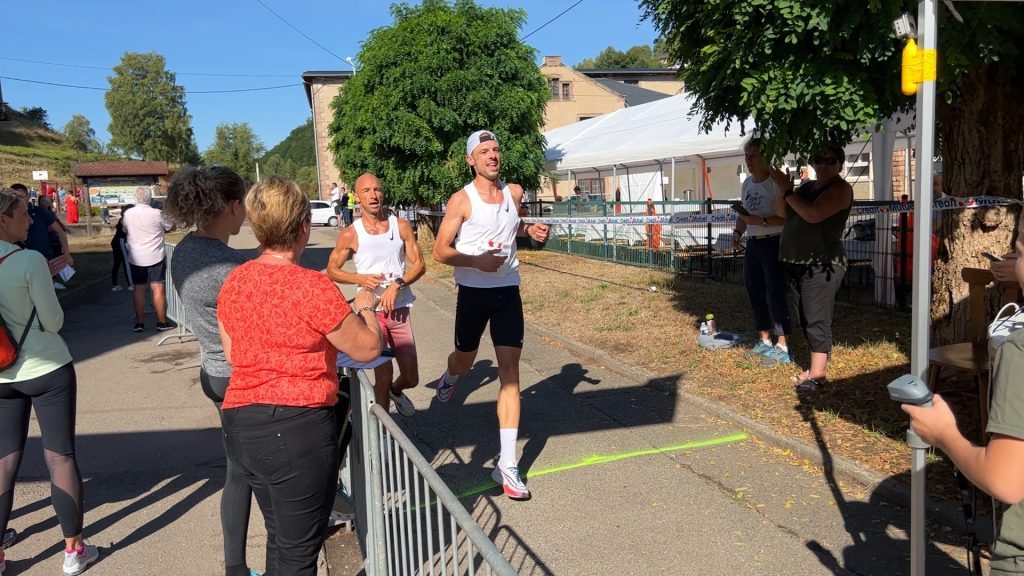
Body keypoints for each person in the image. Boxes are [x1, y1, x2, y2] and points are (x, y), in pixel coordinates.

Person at [217, 177, 382, 576]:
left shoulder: (235, 281)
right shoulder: (310, 286)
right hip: (296, 428)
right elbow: (367, 348)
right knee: (297, 554)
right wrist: (367, 308)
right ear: (303, 226)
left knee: (282, 539)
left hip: (242, 423)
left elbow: (234, 353)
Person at [902, 210, 1024, 576]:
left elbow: (1005, 480)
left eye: (1018, 251)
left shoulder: (1018, 351)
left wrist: (944, 434)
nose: (1012, 258)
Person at [431, 130, 549, 500]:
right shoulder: (461, 201)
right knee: (465, 361)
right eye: (484, 151)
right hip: (473, 293)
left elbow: (515, 226)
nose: (492, 156)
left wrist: (532, 230)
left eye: (496, 149)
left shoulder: (514, 193)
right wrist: (476, 261)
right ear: (472, 160)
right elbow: (439, 250)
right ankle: (451, 374)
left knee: (510, 375)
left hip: (507, 292)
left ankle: (508, 465)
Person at [164, 167, 258, 576]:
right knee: (254, 473)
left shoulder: (185, 249)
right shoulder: (227, 265)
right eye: (246, 207)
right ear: (233, 206)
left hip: (212, 367)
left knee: (239, 470)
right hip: (240, 376)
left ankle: (236, 565)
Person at [0, 190, 99, 575]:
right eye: (24, 214)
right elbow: (54, 321)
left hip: (3, 373)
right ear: (4, 219)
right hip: (46, 368)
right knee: (60, 456)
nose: (30, 221)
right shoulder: (28, 259)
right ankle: (74, 550)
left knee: (5, 459)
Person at [327, 173, 425, 416]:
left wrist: (397, 284)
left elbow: (419, 265)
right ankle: (380, 432)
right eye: (367, 191)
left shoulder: (399, 226)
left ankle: (396, 391)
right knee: (383, 372)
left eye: (377, 190)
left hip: (399, 309)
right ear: (357, 196)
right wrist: (359, 279)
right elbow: (332, 270)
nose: (373, 195)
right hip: (371, 311)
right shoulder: (351, 233)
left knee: (411, 377)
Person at [771, 144, 853, 393]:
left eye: (831, 160)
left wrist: (788, 191)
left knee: (817, 316)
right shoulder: (807, 187)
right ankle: (812, 368)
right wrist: (783, 191)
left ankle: (818, 374)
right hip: (796, 262)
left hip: (822, 263)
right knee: (804, 315)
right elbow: (781, 212)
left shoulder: (840, 189)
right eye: (820, 159)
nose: (824, 164)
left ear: (840, 164)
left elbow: (813, 214)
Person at [733, 139, 792, 366]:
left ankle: (783, 346)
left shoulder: (776, 183)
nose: (749, 161)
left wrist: (763, 221)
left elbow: (786, 216)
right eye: (747, 156)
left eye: (754, 155)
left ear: (766, 157)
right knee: (755, 292)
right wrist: (737, 233)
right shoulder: (747, 184)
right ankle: (765, 341)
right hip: (754, 244)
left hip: (774, 242)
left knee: (776, 293)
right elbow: (744, 214)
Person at [122, 186, 175, 333]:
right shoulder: (157, 213)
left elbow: (125, 230)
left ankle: (139, 323)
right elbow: (171, 227)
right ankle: (161, 322)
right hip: (155, 254)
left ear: (135, 198)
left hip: (136, 256)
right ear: (149, 198)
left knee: (138, 288)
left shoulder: (128, 214)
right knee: (157, 288)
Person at [10, 184, 73, 286]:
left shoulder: (40, 212)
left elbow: (60, 232)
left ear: (28, 196)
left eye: (21, 196)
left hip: (42, 257)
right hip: (20, 258)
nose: (18, 200)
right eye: (15, 197)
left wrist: (67, 254)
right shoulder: (9, 215)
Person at [110, 205, 134, 292]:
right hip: (121, 241)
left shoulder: (123, 219)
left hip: (116, 241)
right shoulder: (125, 219)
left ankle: (115, 284)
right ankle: (130, 284)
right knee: (126, 262)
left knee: (117, 262)